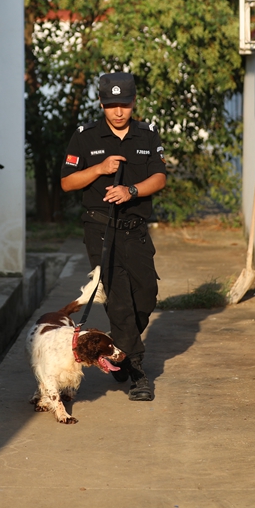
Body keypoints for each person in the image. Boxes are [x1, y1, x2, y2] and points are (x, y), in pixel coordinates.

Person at [60, 72, 167, 402]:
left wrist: (130, 190)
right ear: (101, 104)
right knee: (119, 301)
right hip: (100, 231)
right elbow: (67, 183)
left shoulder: (146, 135)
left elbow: (160, 177)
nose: (118, 111)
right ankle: (136, 372)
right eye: (111, 105)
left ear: (134, 102)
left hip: (135, 231)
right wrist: (99, 169)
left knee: (146, 294)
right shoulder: (85, 137)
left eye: (124, 104)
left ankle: (119, 346)